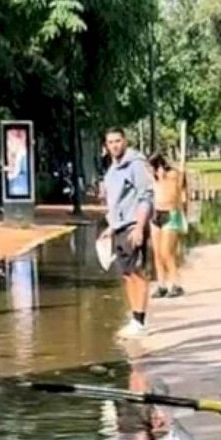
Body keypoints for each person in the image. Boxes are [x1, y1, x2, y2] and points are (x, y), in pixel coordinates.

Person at [102, 127, 154, 337]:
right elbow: (115, 203)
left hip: (133, 225)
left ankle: (140, 320)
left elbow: (145, 196)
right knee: (127, 273)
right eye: (110, 142)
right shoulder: (113, 170)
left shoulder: (135, 165)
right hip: (120, 227)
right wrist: (110, 227)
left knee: (137, 272)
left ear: (125, 141)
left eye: (118, 141)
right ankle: (134, 317)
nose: (115, 145)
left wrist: (140, 226)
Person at [148, 153, 187, 299]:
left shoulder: (173, 175)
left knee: (167, 252)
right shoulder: (152, 178)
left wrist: (166, 175)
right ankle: (161, 284)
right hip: (156, 213)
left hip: (170, 213)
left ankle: (175, 283)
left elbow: (179, 191)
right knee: (157, 253)